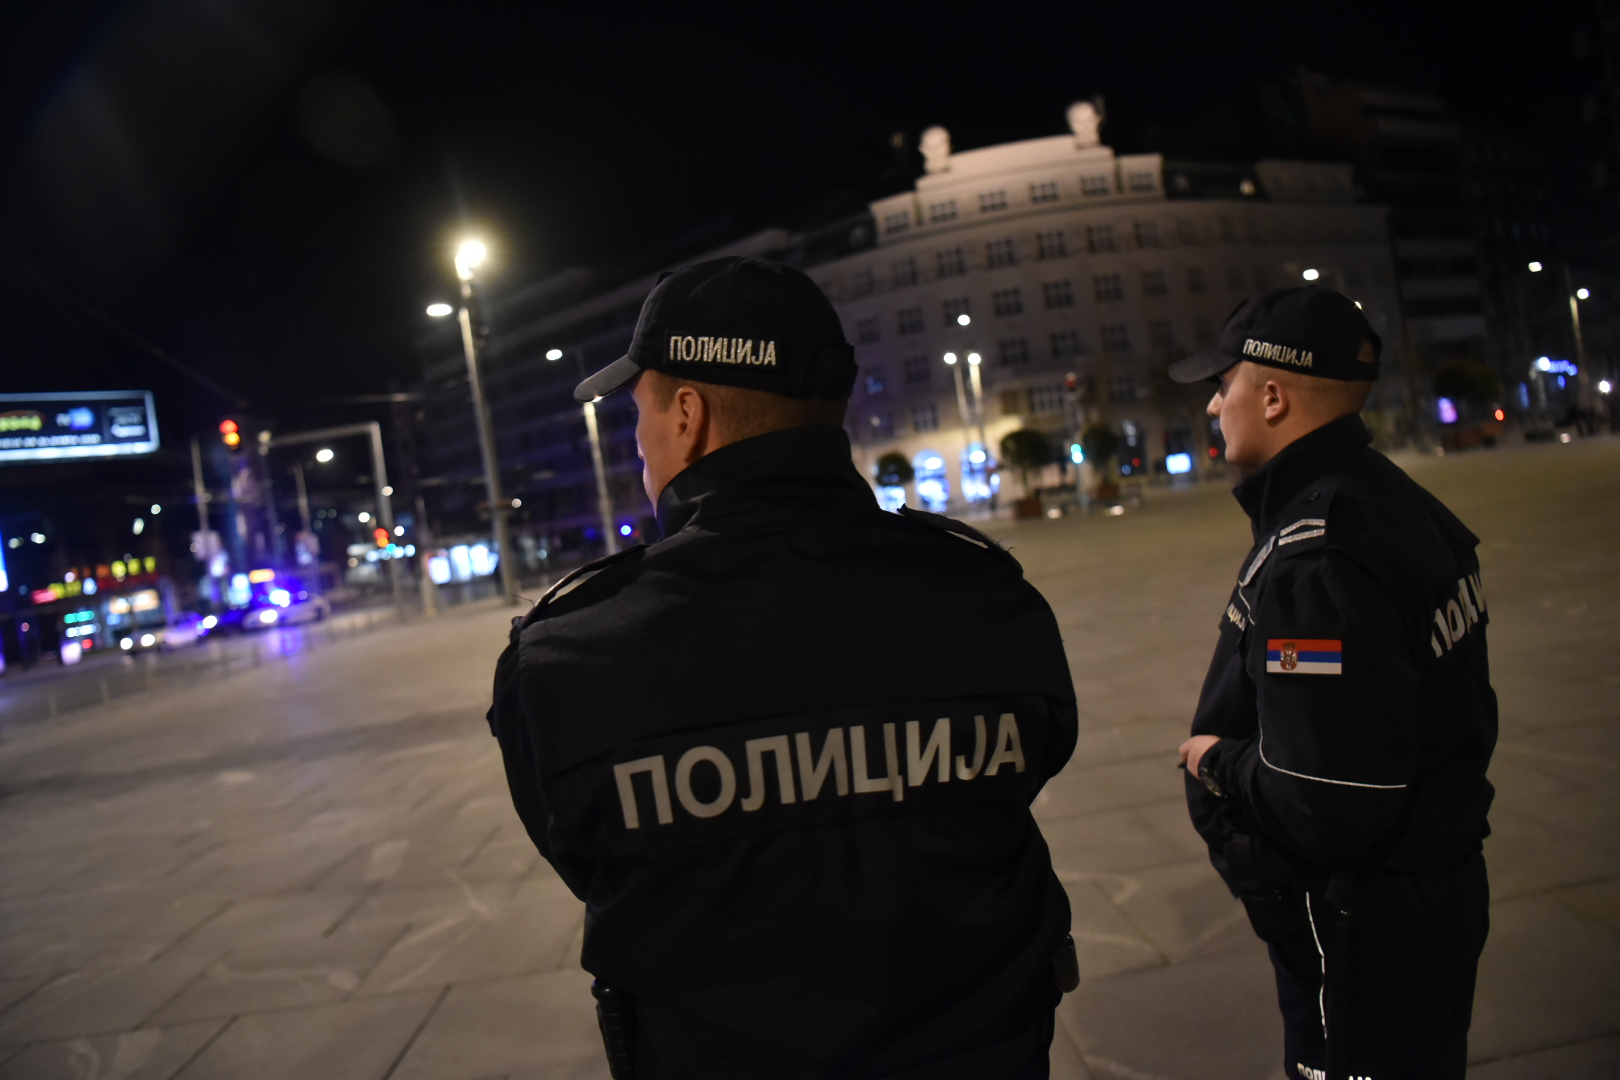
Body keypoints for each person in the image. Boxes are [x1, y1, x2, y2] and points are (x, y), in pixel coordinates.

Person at [487, 256, 1080, 1079]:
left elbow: (585, 861)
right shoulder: (989, 599)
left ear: (688, 415)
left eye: (641, 413)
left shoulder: (567, 660)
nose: (641, 442)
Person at [1171, 286, 1497, 1080]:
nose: (1215, 407)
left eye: (1224, 386)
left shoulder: (1318, 557)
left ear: (1274, 396)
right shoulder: (1388, 499)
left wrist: (1215, 761)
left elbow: (1326, 792)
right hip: (1427, 896)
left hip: (1363, 927)